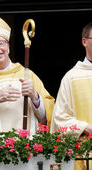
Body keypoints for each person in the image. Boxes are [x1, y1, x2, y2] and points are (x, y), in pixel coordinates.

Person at [50, 22, 92, 170]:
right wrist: (85, 127)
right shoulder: (71, 77)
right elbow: (59, 120)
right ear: (84, 41)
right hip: (84, 156)